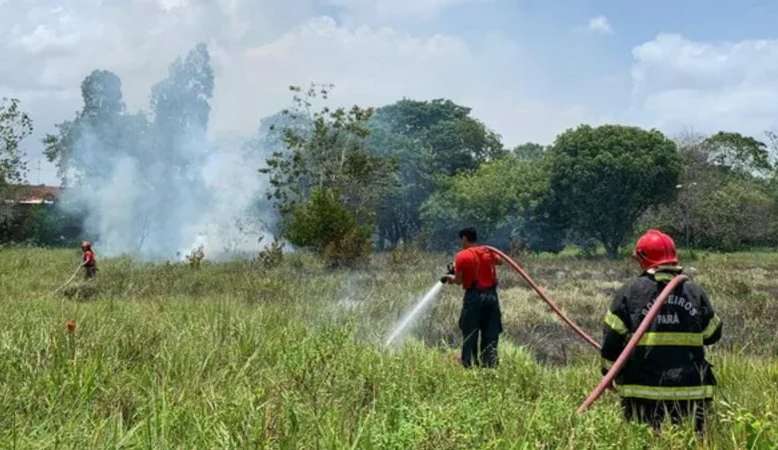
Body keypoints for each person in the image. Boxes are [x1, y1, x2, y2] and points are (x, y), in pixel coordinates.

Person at [601, 229, 722, 433]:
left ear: (642, 259)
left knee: (645, 443)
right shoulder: (694, 291)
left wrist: (608, 372)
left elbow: (612, 340)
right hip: (691, 392)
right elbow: (712, 334)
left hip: (642, 393)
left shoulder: (630, 292)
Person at [441, 227, 503, 368]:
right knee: (491, 333)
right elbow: (500, 261)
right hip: (492, 298)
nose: (460, 242)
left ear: (464, 238)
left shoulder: (462, 256)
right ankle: (490, 366)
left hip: (474, 298)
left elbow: (458, 281)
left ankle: (469, 365)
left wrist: (448, 276)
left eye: (460, 239)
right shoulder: (487, 251)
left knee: (470, 332)